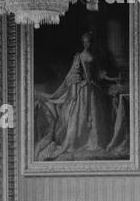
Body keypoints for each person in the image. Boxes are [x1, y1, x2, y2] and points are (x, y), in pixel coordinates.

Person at [34, 30, 126, 160]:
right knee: (80, 117)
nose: (87, 44)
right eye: (85, 42)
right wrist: (76, 88)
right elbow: (75, 74)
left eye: (89, 42)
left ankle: (96, 142)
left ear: (91, 42)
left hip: (93, 89)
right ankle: (80, 141)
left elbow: (100, 74)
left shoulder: (95, 56)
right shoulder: (79, 56)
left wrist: (114, 79)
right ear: (83, 42)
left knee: (95, 115)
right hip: (82, 90)